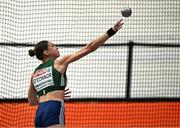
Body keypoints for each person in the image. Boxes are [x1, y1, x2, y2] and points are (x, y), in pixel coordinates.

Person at [28, 19, 124, 128]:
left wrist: (52, 94)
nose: (57, 47)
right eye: (53, 46)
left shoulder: (35, 73)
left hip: (40, 113)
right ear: (46, 52)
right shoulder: (58, 62)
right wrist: (111, 31)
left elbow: (31, 101)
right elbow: (90, 47)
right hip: (54, 108)